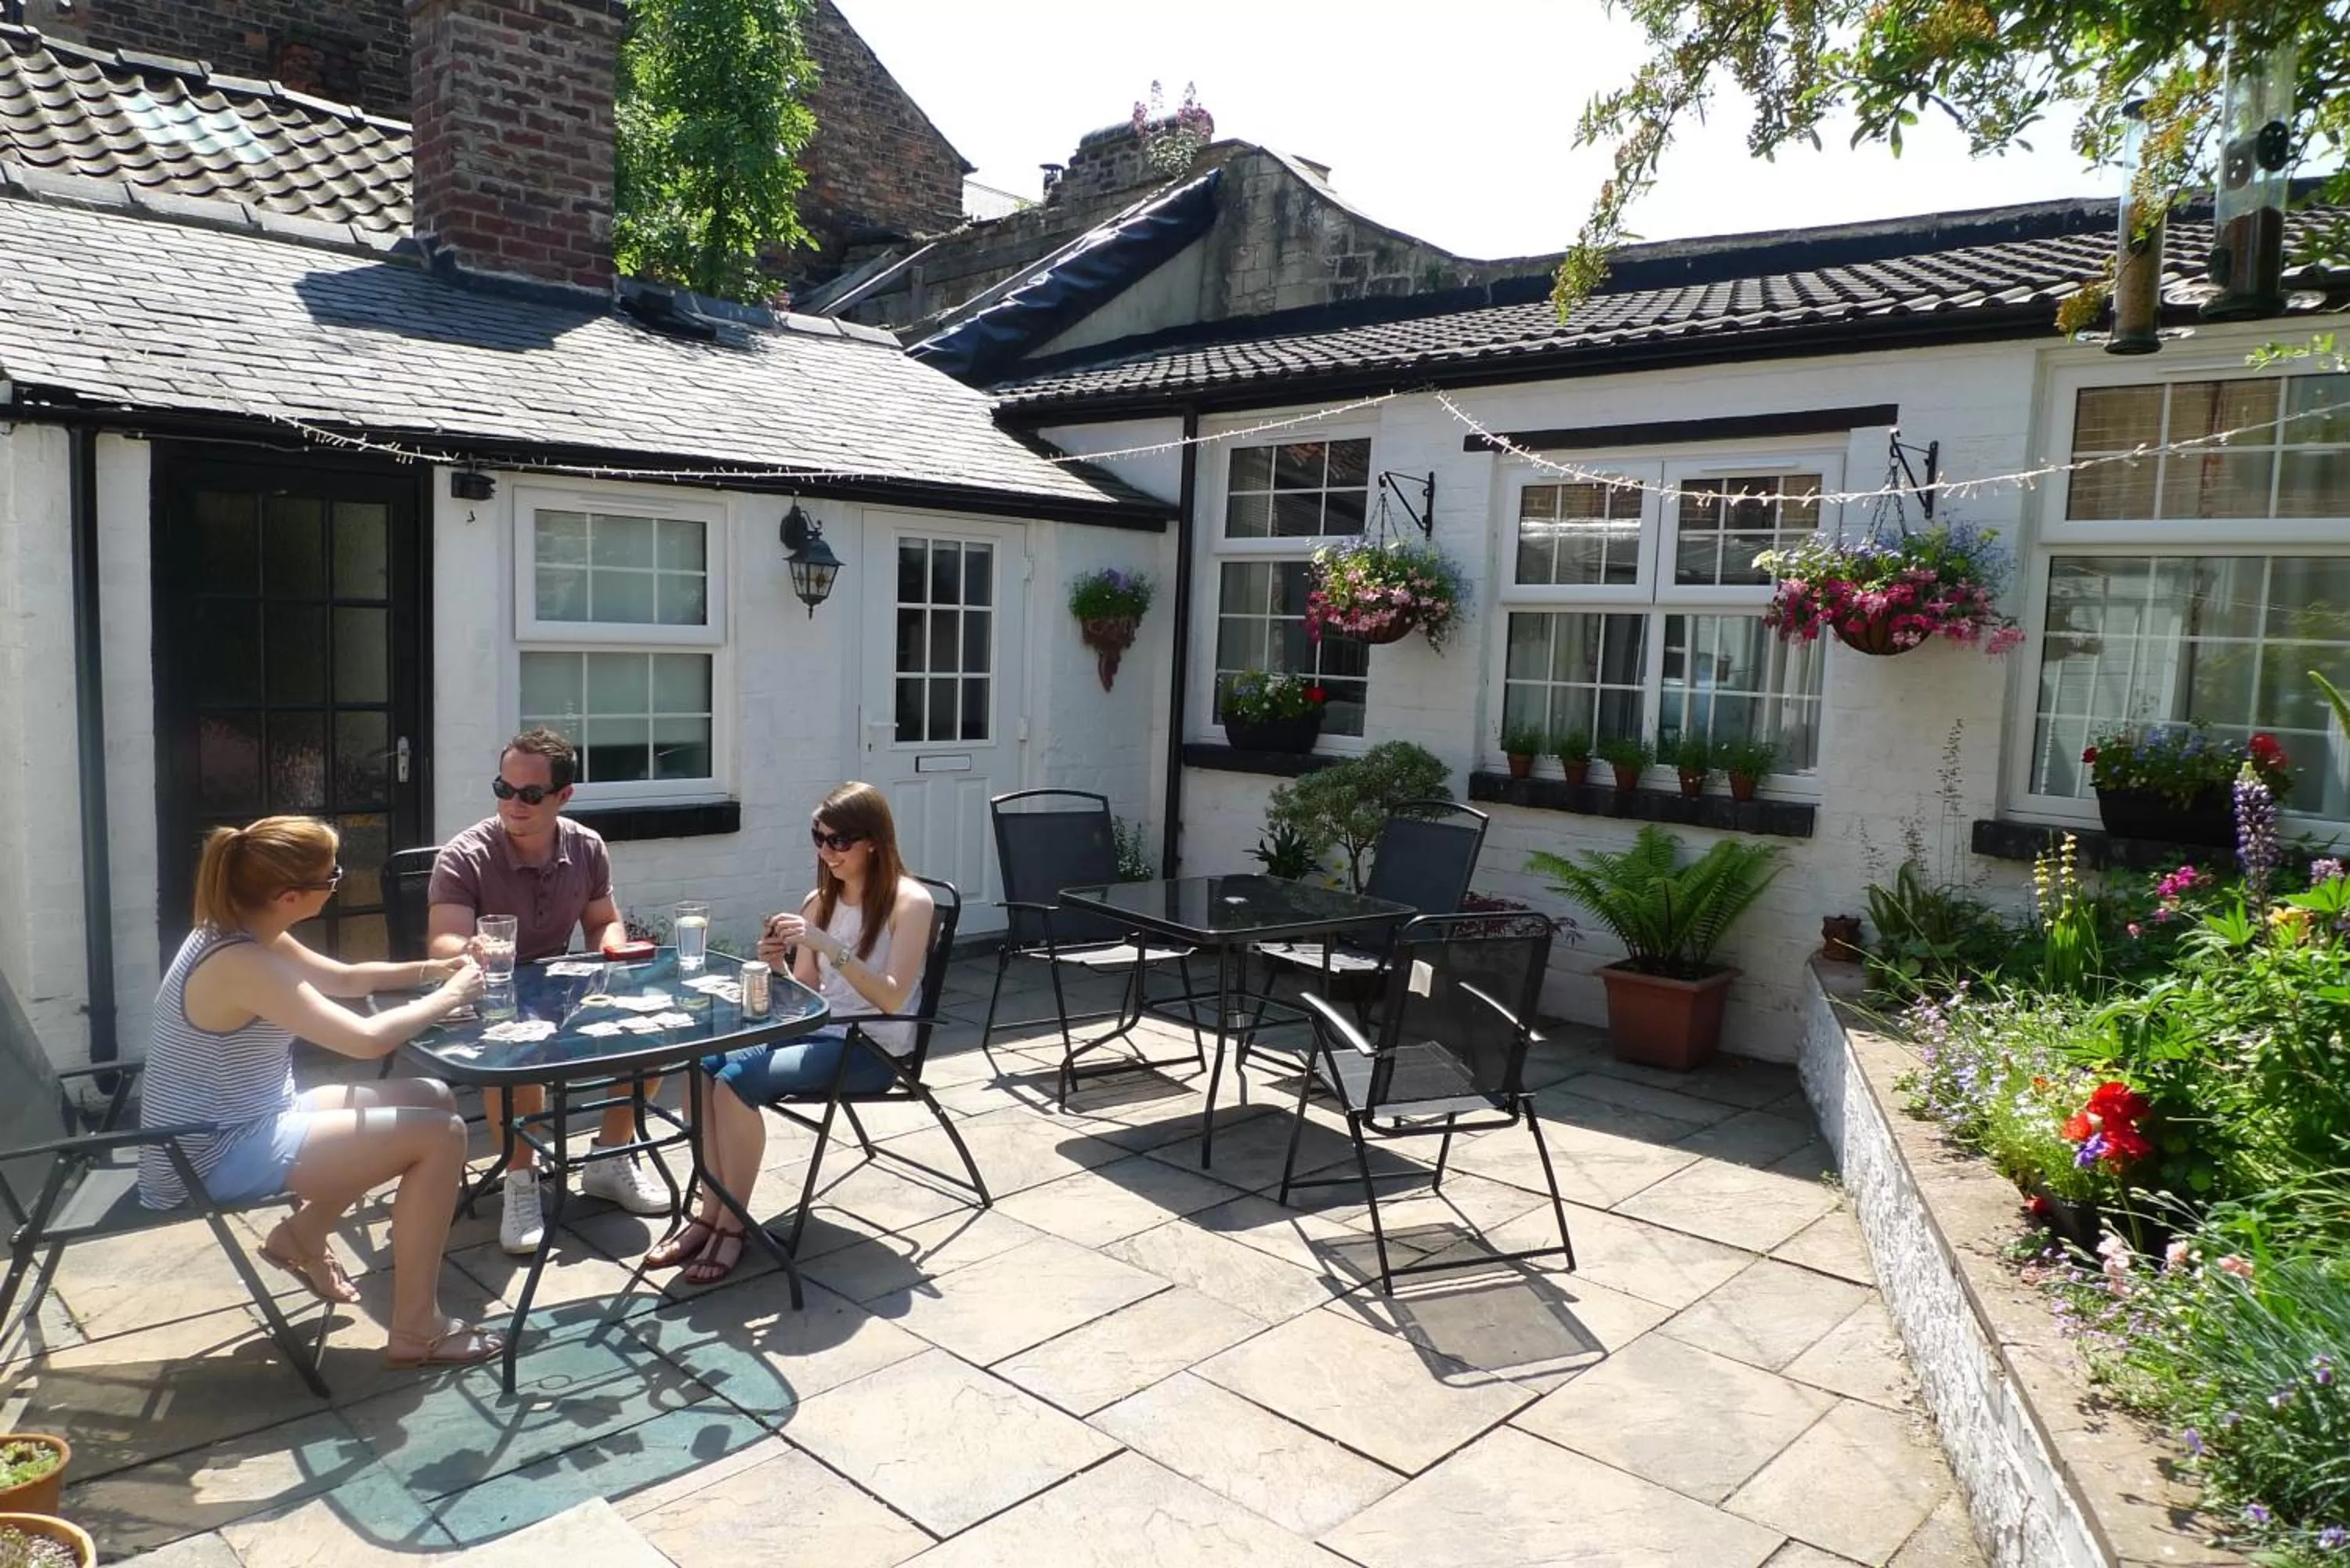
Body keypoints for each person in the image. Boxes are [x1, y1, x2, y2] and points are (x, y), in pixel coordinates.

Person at [141, 815, 503, 1368]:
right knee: (441, 1136)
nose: (340, 883)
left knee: (434, 1096)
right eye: (333, 876)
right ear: (290, 895)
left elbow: (347, 979)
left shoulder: (240, 929)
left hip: (251, 1116)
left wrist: (436, 968)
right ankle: (416, 1330)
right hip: (207, 1153)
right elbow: (365, 1041)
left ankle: (302, 1235)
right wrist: (451, 995)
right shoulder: (244, 962)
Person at [645, 782, 933, 1285]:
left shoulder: (910, 903)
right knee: (704, 1068)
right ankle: (710, 1213)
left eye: (838, 841)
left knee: (736, 1083)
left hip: (871, 1048)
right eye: (818, 838)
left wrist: (826, 943)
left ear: (873, 841)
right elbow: (807, 990)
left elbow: (890, 997)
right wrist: (778, 968)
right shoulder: (819, 900)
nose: (826, 851)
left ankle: (733, 1228)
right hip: (822, 1033)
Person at [425, 728, 669, 1253]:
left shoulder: (586, 847)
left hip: (560, 984)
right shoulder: (465, 855)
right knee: (517, 1050)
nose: (514, 803)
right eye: (504, 788)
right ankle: (521, 1181)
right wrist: (468, 948)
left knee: (651, 1036)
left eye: (530, 794)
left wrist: (610, 959)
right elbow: (443, 940)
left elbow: (604, 920)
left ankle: (609, 1156)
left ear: (563, 796)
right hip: (486, 991)